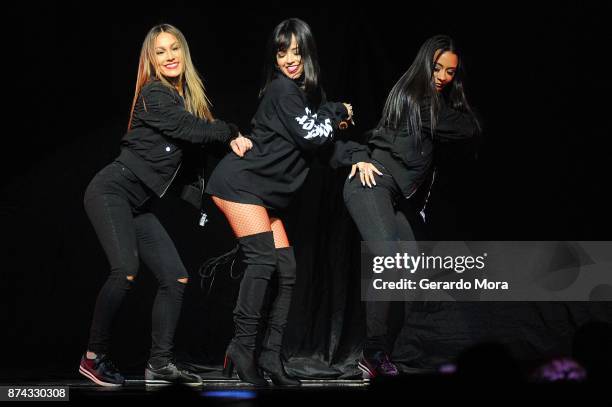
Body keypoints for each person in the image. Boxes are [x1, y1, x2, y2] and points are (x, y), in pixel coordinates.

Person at [79, 23, 252, 387]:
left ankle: (159, 364)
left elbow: (200, 141)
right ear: (152, 61)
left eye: (174, 49)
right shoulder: (154, 95)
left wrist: (233, 146)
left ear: (183, 54)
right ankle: (93, 358)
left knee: (175, 277)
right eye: (161, 51)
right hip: (111, 192)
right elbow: (192, 131)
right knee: (124, 270)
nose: (170, 56)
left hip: (138, 205)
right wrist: (232, 131)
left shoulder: (182, 101)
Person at [204, 18, 355, 386]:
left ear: (308, 55)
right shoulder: (282, 90)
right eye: (282, 52)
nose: (289, 59)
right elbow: (312, 137)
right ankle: (242, 348)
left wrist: (355, 153)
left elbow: (323, 142)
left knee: (286, 270)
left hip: (261, 191)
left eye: (297, 52)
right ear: (274, 57)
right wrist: (338, 112)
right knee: (262, 260)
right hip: (240, 183)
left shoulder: (302, 97)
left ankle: (270, 356)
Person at [342, 34, 480, 378]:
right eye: (438, 68)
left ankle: (380, 350)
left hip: (391, 195)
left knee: (408, 266)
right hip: (370, 185)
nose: (443, 77)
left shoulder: (432, 103)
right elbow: (467, 127)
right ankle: (373, 353)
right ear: (425, 64)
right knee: (389, 259)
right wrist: (361, 157)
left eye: (450, 72)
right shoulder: (416, 98)